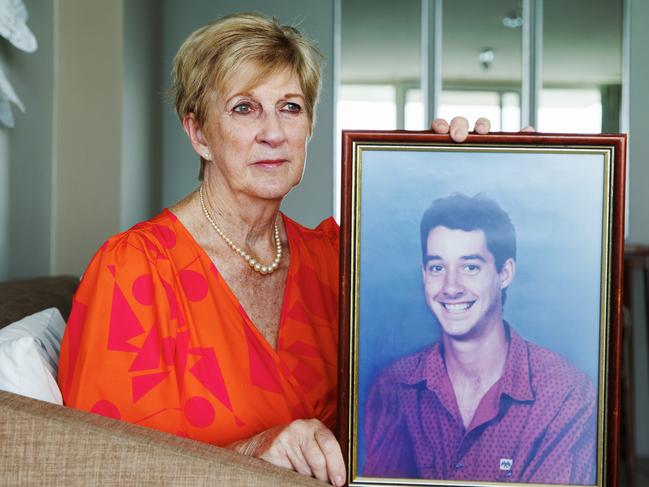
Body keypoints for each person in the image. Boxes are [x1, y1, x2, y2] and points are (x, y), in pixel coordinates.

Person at [57, 13, 490, 486]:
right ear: (199, 133)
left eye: (290, 107)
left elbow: (442, 367)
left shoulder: (338, 260)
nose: (274, 132)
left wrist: (460, 168)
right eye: (244, 108)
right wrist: (250, 453)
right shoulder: (134, 269)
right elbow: (94, 465)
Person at [363, 193, 597, 484]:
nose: (451, 287)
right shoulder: (394, 387)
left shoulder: (565, 393)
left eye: (470, 267)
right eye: (438, 267)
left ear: (505, 273)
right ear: (424, 274)